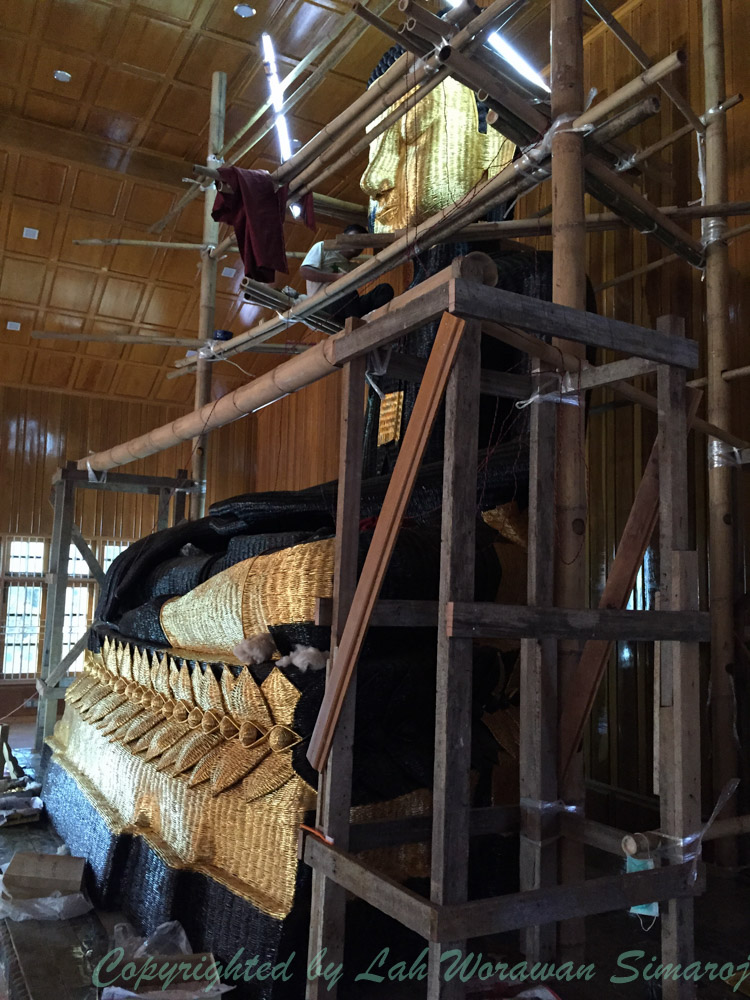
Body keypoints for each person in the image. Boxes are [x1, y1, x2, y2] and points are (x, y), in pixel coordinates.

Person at [298, 224, 394, 321]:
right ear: (343, 237)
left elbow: (375, 270)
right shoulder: (323, 248)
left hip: (349, 308)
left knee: (384, 290)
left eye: (361, 244)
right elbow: (304, 271)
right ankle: (356, 324)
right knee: (346, 291)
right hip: (324, 306)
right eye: (353, 238)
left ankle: (365, 320)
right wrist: (336, 277)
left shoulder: (353, 267)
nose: (356, 244)